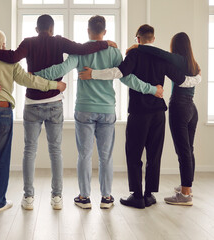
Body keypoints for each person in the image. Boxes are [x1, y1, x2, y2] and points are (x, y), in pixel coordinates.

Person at [0, 14, 116, 210]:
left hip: (32, 102)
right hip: (54, 101)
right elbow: (83, 48)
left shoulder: (29, 42)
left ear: (36, 29)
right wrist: (104, 43)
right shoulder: (59, 41)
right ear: (52, 29)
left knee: (29, 151)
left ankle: (28, 197)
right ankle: (57, 197)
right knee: (55, 151)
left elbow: (12, 57)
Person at [35, 16, 163, 209]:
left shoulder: (80, 51)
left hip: (84, 110)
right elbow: (128, 78)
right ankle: (106, 198)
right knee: (106, 157)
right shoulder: (112, 51)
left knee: (84, 155)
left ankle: (84, 198)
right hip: (107, 110)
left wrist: (35, 75)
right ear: (105, 31)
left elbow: (61, 69)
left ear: (88, 31)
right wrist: (152, 89)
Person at [79, 24, 201, 209]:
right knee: (154, 154)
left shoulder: (134, 54)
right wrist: (198, 77)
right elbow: (181, 80)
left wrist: (93, 74)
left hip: (139, 112)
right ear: (153, 38)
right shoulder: (161, 58)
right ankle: (149, 195)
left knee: (134, 154)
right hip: (159, 113)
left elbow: (119, 73)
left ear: (138, 38)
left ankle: (137, 196)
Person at [0, 29, 66, 212]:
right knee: (2, 159)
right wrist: (55, 85)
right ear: (2, 45)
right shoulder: (9, 63)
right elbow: (30, 81)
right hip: (2, 112)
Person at [126, 32, 199, 206]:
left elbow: (160, 54)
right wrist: (198, 78)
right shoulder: (193, 63)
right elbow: (182, 78)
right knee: (185, 149)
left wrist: (138, 47)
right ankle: (184, 187)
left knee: (182, 151)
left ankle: (184, 193)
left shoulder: (174, 59)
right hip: (190, 108)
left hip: (177, 107)